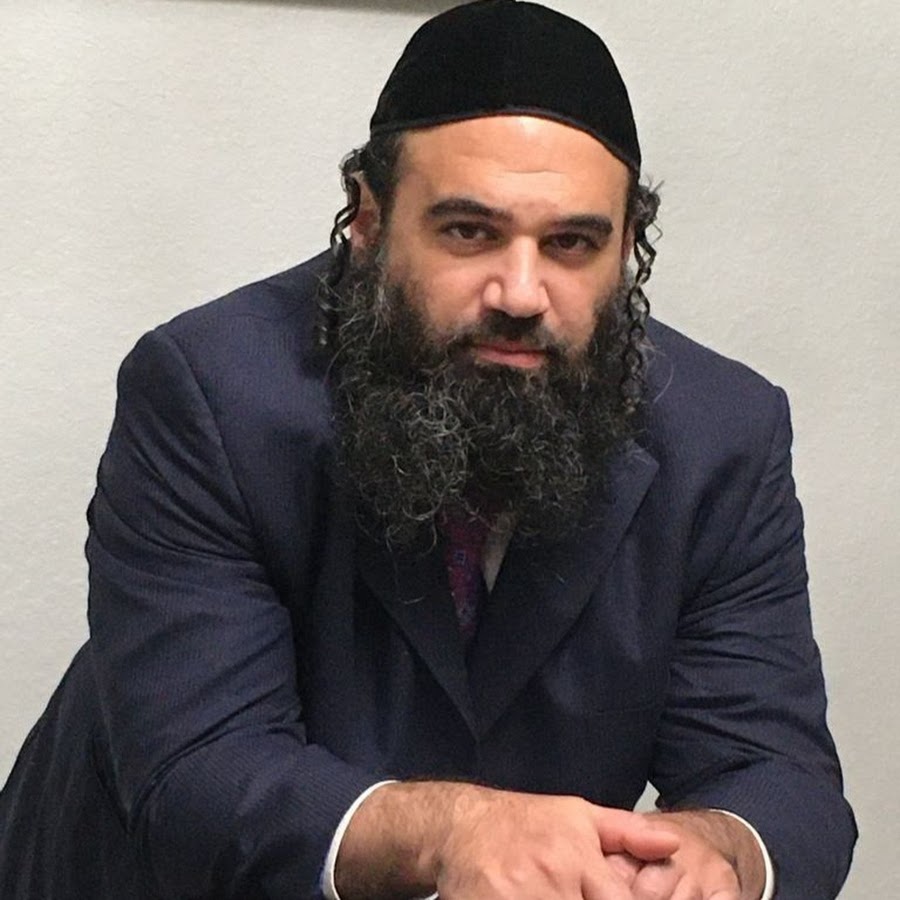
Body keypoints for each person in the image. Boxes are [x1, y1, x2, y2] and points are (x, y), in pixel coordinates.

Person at [0, 2, 855, 898]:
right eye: (469, 232)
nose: (520, 292)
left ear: (628, 248)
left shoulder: (724, 435)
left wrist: (718, 850)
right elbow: (200, 772)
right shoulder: (207, 392)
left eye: (571, 244)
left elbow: (778, 773)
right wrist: (453, 830)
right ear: (368, 221)